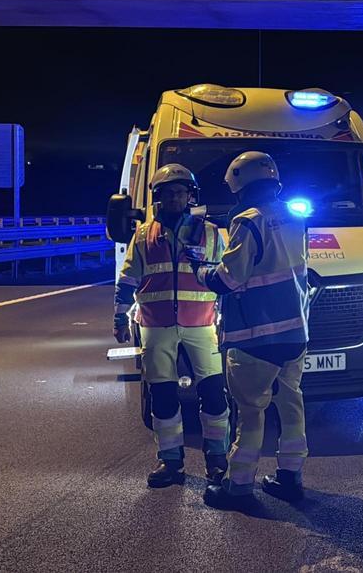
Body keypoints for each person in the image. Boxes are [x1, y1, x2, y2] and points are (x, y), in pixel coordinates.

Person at [196, 151, 311, 512]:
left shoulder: (247, 222)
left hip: (254, 337)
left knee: (250, 412)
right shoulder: (294, 217)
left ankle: (238, 486)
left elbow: (229, 279)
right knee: (291, 405)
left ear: (239, 185)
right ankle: (290, 478)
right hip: (294, 334)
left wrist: (202, 272)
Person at [113, 163, 229, 488]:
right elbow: (127, 281)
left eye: (181, 192)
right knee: (163, 396)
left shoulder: (211, 234)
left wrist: (228, 319)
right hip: (156, 324)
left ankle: (217, 461)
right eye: (168, 193)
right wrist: (120, 316)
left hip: (202, 324)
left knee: (214, 395)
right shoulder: (142, 236)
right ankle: (170, 461)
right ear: (157, 198)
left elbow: (226, 277)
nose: (175, 198)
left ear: (191, 196)